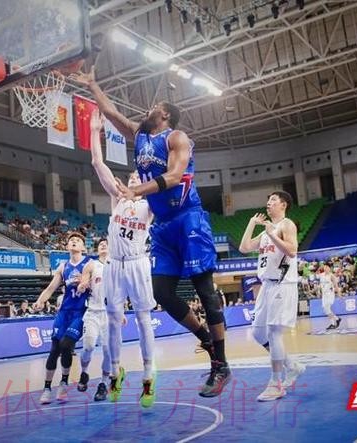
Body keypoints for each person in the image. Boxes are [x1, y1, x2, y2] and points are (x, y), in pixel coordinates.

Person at [75, 67, 230, 397]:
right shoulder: (141, 135)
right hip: (163, 225)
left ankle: (221, 364)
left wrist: (136, 191)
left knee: (204, 290)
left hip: (188, 217)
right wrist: (92, 84)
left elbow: (173, 177)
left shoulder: (176, 138)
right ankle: (206, 338)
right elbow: (111, 113)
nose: (146, 110)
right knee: (162, 292)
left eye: (153, 107)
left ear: (164, 114)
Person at [88, 110, 156, 406]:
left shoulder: (149, 206)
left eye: (137, 177)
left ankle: (149, 375)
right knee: (114, 320)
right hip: (114, 264)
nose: (132, 179)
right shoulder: (117, 199)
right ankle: (115, 372)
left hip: (138, 263)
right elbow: (97, 162)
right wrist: (94, 131)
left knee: (143, 318)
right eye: (130, 176)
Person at [239, 192, 304, 401]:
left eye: (273, 200)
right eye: (268, 200)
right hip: (266, 285)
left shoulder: (287, 225)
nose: (269, 203)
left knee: (274, 332)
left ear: (283, 204)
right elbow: (244, 248)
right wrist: (252, 223)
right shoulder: (266, 230)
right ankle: (292, 366)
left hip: (282, 284)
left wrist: (273, 235)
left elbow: (292, 251)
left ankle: (276, 383)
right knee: (258, 333)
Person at [33, 233, 92, 404]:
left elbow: (91, 281)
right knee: (54, 349)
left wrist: (84, 284)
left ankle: (64, 383)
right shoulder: (63, 267)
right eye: (71, 240)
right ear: (67, 246)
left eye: (78, 240)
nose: (74, 241)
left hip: (80, 312)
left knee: (66, 345)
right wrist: (40, 301)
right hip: (64, 312)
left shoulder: (89, 264)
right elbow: (50, 288)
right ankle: (47, 388)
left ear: (83, 247)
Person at [77, 238, 112, 402]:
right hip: (92, 312)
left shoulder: (116, 265)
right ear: (97, 250)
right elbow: (83, 282)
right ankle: (84, 372)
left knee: (108, 350)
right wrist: (82, 286)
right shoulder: (91, 265)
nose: (103, 245)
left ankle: (103, 383)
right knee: (89, 347)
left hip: (110, 314)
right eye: (100, 244)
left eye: (106, 244)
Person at [319, 265, 342, 329]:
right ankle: (336, 319)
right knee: (325, 310)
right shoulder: (321, 275)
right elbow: (321, 284)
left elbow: (336, 285)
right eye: (325, 267)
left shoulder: (332, 276)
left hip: (330, 293)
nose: (326, 268)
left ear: (329, 269)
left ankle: (334, 322)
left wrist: (339, 293)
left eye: (327, 267)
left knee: (327, 308)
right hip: (324, 294)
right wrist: (320, 291)